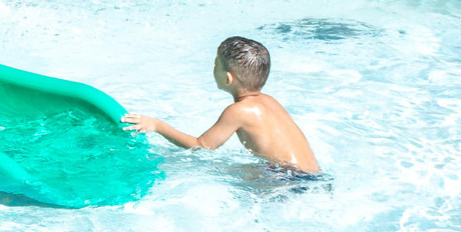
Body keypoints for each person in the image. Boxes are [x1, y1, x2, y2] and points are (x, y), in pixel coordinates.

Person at [123, 35, 321, 178]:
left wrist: (158, 126)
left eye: (215, 65)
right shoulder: (269, 101)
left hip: (288, 181)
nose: (213, 69)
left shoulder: (238, 111)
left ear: (228, 78)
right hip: (314, 177)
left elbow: (201, 147)